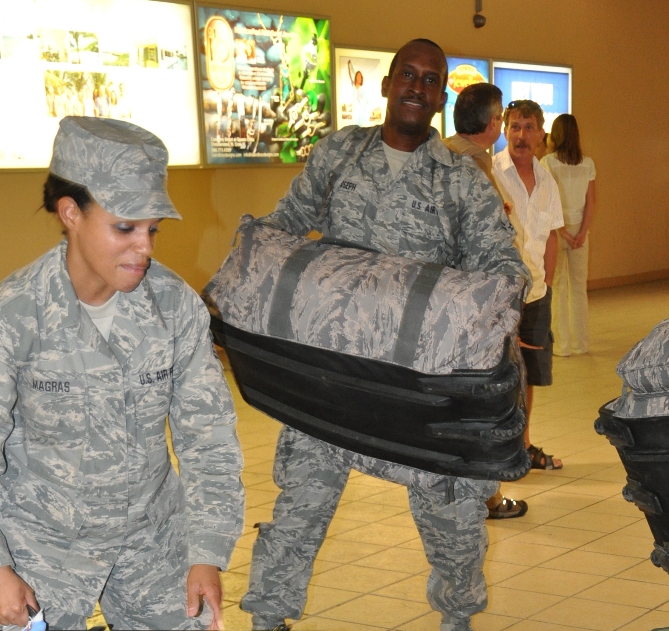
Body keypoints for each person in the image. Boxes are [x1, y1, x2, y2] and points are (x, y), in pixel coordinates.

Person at [240, 39, 528, 631]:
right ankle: (267, 619)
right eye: (408, 75)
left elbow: (503, 276)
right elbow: (284, 227)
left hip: (417, 386)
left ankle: (457, 617)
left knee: (452, 520)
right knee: (298, 507)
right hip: (334, 375)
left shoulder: (461, 181)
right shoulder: (339, 154)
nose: (417, 88)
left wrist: (445, 318)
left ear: (441, 94)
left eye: (431, 80)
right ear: (387, 82)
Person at [0, 117, 244, 630]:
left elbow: (208, 440)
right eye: (125, 227)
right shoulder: (6, 319)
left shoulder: (174, 307)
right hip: (39, 547)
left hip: (151, 540)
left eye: (153, 229)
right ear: (70, 212)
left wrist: (206, 551)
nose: (145, 247)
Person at [443, 82, 529, 520]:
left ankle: (461, 489)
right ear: (493, 123)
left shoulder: (439, 152)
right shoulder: (473, 163)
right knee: (494, 394)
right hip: (476, 301)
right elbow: (489, 234)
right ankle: (489, 496)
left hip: (441, 300)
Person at [493, 100, 565, 470]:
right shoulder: (491, 172)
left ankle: (522, 445)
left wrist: (547, 284)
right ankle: (497, 446)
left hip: (535, 294)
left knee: (529, 375)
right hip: (499, 296)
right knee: (496, 372)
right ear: (505, 130)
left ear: (541, 134)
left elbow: (552, 236)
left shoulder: (547, 178)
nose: (522, 135)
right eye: (515, 127)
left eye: (529, 127)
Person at [541, 114, 596, 356]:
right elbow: (591, 202)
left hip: (556, 230)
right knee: (578, 288)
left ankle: (562, 346)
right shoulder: (588, 163)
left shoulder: (547, 163)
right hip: (580, 232)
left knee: (558, 287)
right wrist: (581, 232)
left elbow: (547, 202)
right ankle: (582, 344)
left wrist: (562, 231)